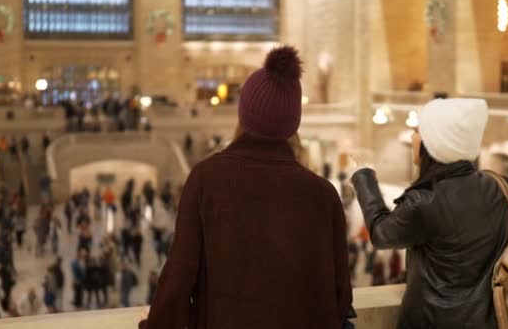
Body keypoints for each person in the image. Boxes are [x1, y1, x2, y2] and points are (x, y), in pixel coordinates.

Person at [140, 47, 353, 329]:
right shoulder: (323, 195)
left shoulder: (206, 179)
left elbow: (179, 276)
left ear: (244, 114)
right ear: (293, 124)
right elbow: (339, 295)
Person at [350, 98, 508, 328]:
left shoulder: (424, 201)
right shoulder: (501, 187)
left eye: (417, 131)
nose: (411, 138)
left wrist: (363, 177)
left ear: (436, 142)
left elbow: (381, 233)